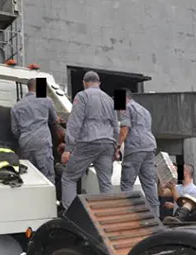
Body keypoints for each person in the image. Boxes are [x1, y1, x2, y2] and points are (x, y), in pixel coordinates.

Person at [61, 71, 119, 211]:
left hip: (89, 141)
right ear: (99, 83)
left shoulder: (82, 96)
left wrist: (68, 149)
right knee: (105, 182)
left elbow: (75, 123)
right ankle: (110, 215)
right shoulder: (110, 99)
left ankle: (71, 215)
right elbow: (115, 125)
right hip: (107, 143)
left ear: (84, 83)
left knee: (69, 178)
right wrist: (115, 147)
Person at [117, 89, 159, 217]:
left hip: (135, 147)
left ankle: (128, 216)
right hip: (149, 147)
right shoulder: (145, 110)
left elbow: (125, 128)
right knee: (149, 183)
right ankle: (155, 217)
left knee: (126, 184)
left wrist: (117, 145)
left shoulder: (125, 108)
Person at [11, 78, 61, 184]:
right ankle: (48, 199)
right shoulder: (46, 100)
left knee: (30, 175)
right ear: (39, 87)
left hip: (25, 143)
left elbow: (15, 130)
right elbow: (54, 121)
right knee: (47, 176)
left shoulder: (17, 106)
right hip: (42, 142)